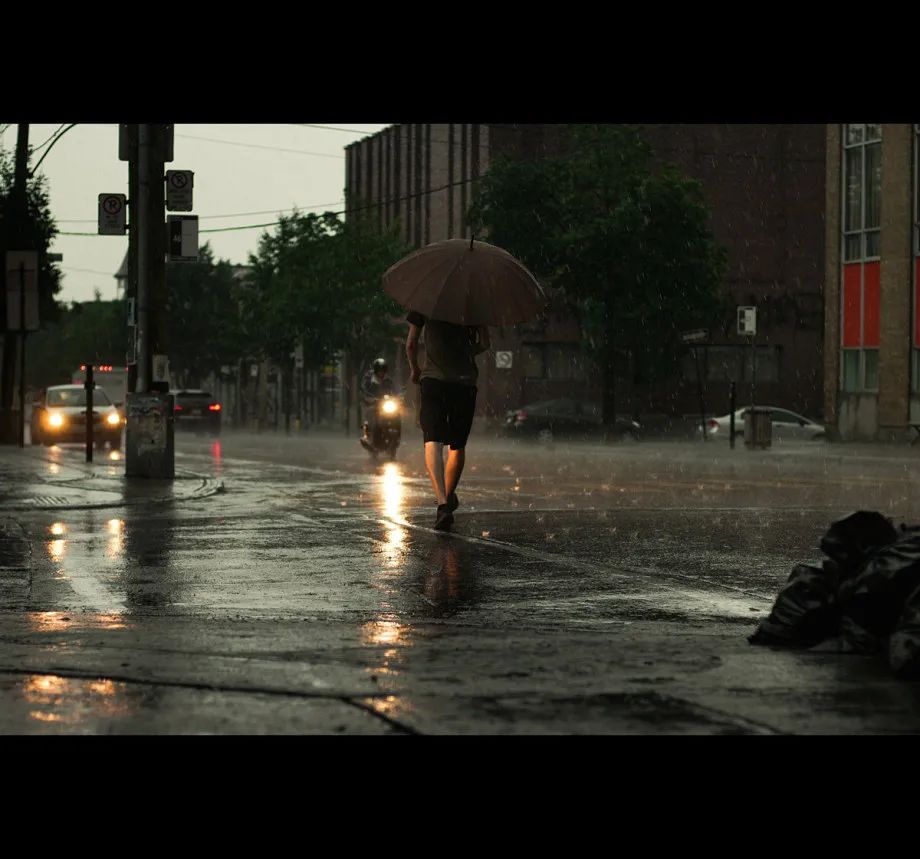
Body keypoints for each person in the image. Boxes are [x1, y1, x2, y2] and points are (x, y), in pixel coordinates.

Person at [405, 311, 490, 530]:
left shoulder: (425, 302)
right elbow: (485, 343)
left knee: (432, 440)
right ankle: (448, 497)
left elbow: (411, 344)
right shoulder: (472, 304)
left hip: (434, 381)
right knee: (457, 444)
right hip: (464, 383)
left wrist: (415, 369)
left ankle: (442, 503)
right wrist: (463, 352)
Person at [361, 358, 396, 447]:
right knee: (371, 414)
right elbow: (364, 390)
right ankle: (368, 437)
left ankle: (396, 435)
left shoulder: (389, 380)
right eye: (379, 370)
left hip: (385, 404)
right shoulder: (369, 380)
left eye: (383, 370)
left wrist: (399, 397)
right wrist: (369, 398)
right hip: (373, 403)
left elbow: (395, 390)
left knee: (397, 414)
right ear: (376, 370)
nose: (381, 372)